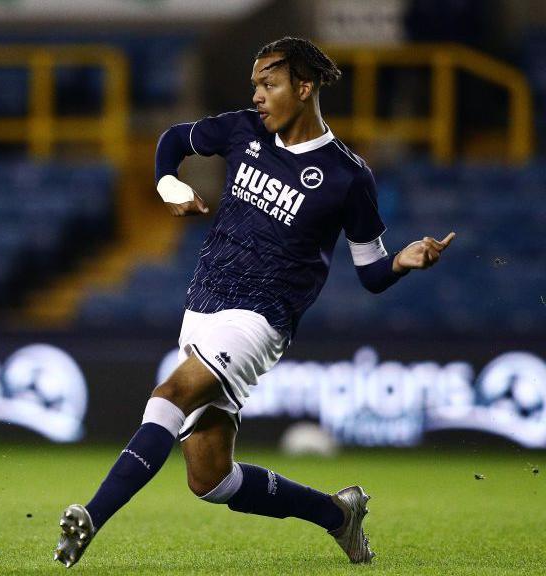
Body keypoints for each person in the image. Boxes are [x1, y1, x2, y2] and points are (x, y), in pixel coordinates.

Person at [55, 37, 455, 567]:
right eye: (256, 86)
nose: (259, 96)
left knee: (170, 393)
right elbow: (173, 139)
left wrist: (402, 261)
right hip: (203, 304)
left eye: (270, 84)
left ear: (304, 87)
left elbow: (372, 274)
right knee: (210, 477)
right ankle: (338, 515)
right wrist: (166, 183)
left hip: (260, 319)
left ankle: (92, 516)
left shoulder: (347, 176)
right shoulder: (243, 130)